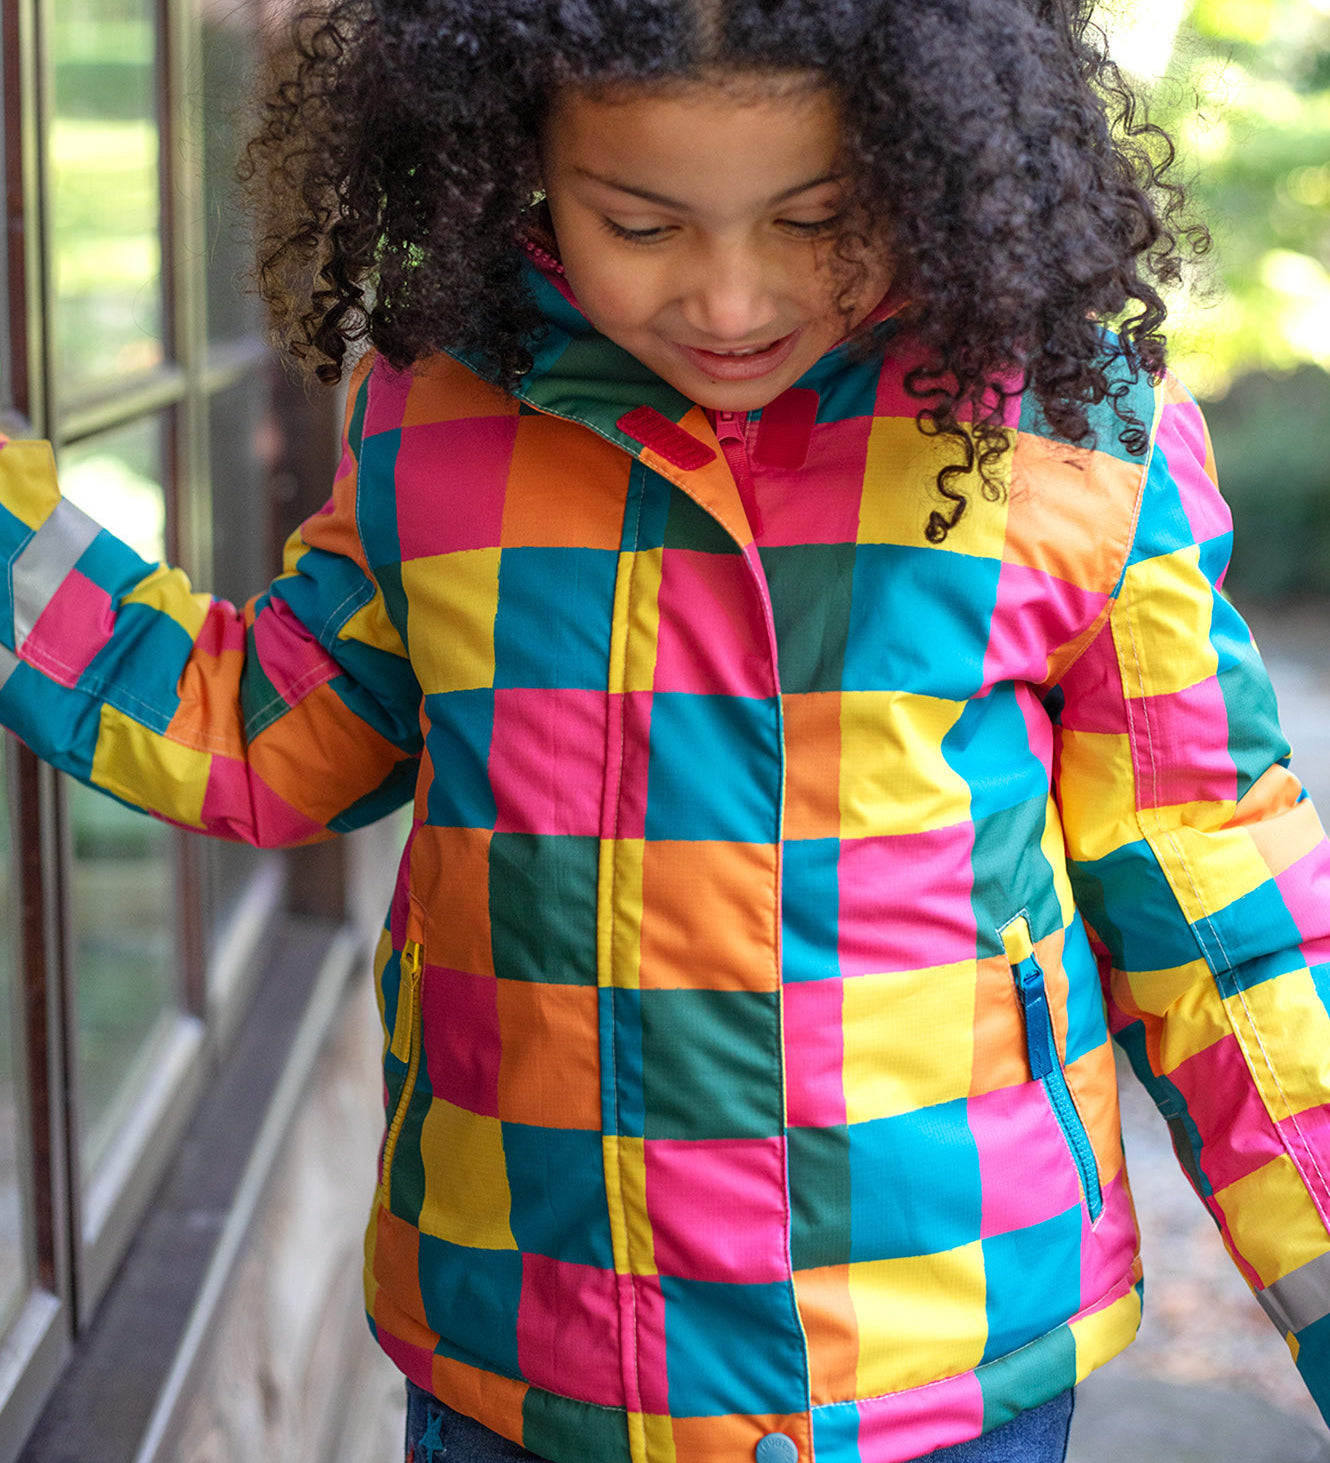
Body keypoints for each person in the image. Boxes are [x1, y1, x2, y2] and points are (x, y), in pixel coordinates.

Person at [2, 1, 1328, 1461]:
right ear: (520, 162)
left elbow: (1222, 915)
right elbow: (267, 738)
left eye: (818, 218)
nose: (729, 298)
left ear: (927, 158)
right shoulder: (437, 404)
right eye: (639, 225)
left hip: (935, 1364)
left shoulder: (1070, 424)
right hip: (521, 1341)